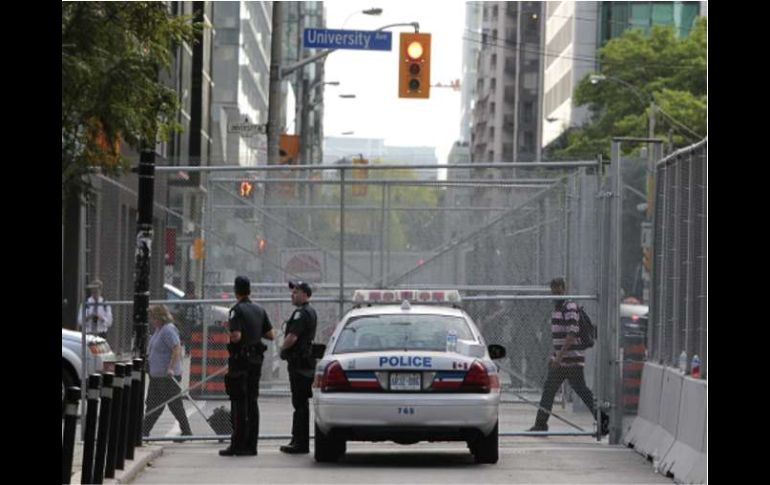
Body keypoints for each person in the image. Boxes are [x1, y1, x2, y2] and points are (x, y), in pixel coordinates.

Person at [528, 277, 609, 435]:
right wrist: (555, 356)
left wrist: (558, 358)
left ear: (564, 289)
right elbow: (558, 337)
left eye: (558, 288)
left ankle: (603, 419)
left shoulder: (570, 307)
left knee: (580, 391)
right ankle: (540, 424)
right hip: (562, 360)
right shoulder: (557, 309)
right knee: (551, 390)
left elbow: (572, 335)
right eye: (553, 289)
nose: (555, 292)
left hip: (571, 360)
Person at [220, 276, 276, 457]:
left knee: (238, 401)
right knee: (252, 402)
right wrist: (255, 331)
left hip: (240, 361)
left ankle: (237, 444)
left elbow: (236, 336)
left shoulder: (236, 310)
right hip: (256, 361)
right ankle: (252, 445)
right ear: (249, 290)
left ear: (236, 291)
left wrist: (227, 329)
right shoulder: (260, 309)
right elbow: (271, 335)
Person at [142, 305, 193, 439]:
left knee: (171, 404)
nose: (151, 320)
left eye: (152, 317)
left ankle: (186, 431)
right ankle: (144, 431)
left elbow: (176, 348)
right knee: (154, 404)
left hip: (168, 376)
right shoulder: (158, 330)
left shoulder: (168, 330)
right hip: (157, 376)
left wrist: (171, 367)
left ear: (159, 317)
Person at [279, 281, 318, 454]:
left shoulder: (301, 314)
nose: (292, 295)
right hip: (304, 363)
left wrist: (282, 348)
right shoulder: (309, 311)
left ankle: (300, 443)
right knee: (300, 404)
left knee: (300, 404)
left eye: (296, 292)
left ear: (304, 294)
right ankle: (297, 439)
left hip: (300, 365)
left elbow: (292, 337)